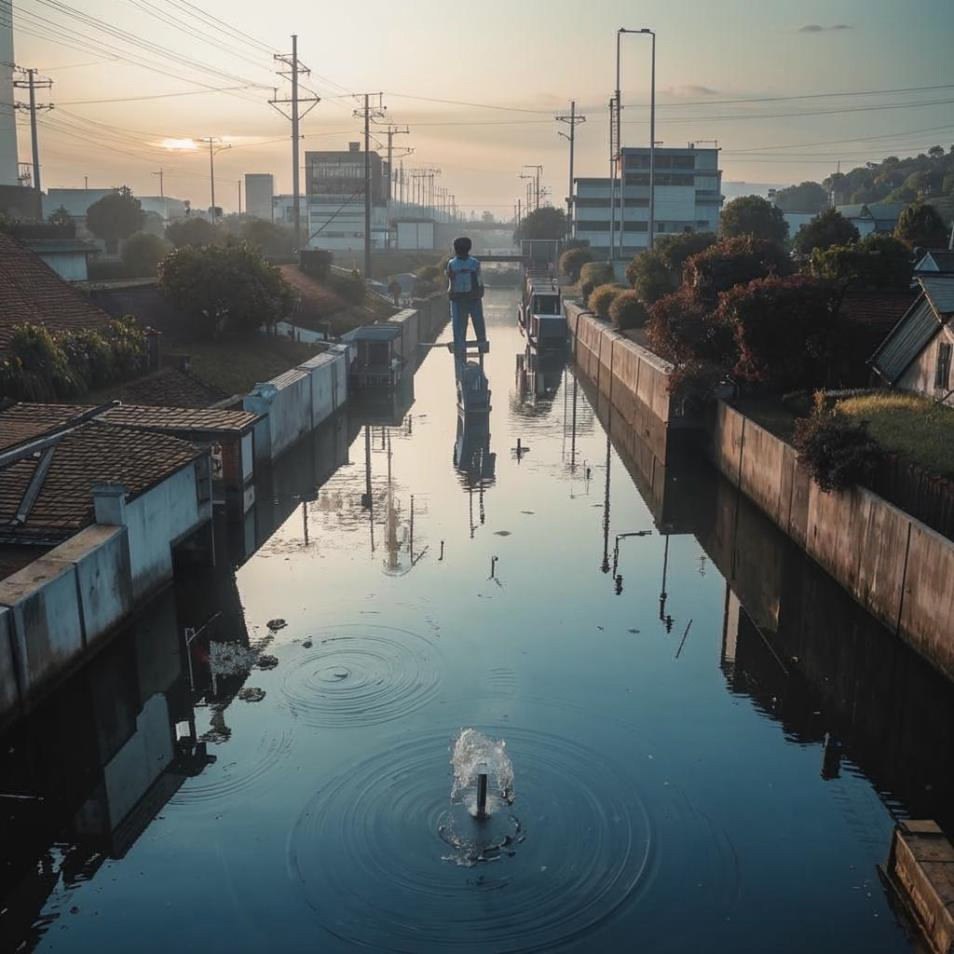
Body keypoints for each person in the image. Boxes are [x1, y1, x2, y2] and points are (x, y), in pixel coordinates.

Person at [446, 236, 487, 367]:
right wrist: (479, 291)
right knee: (477, 321)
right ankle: (481, 344)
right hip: (469, 298)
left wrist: (452, 293)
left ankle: (461, 347)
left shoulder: (452, 264)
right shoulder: (474, 263)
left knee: (459, 325)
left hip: (461, 298)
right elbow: (479, 281)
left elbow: (451, 282)